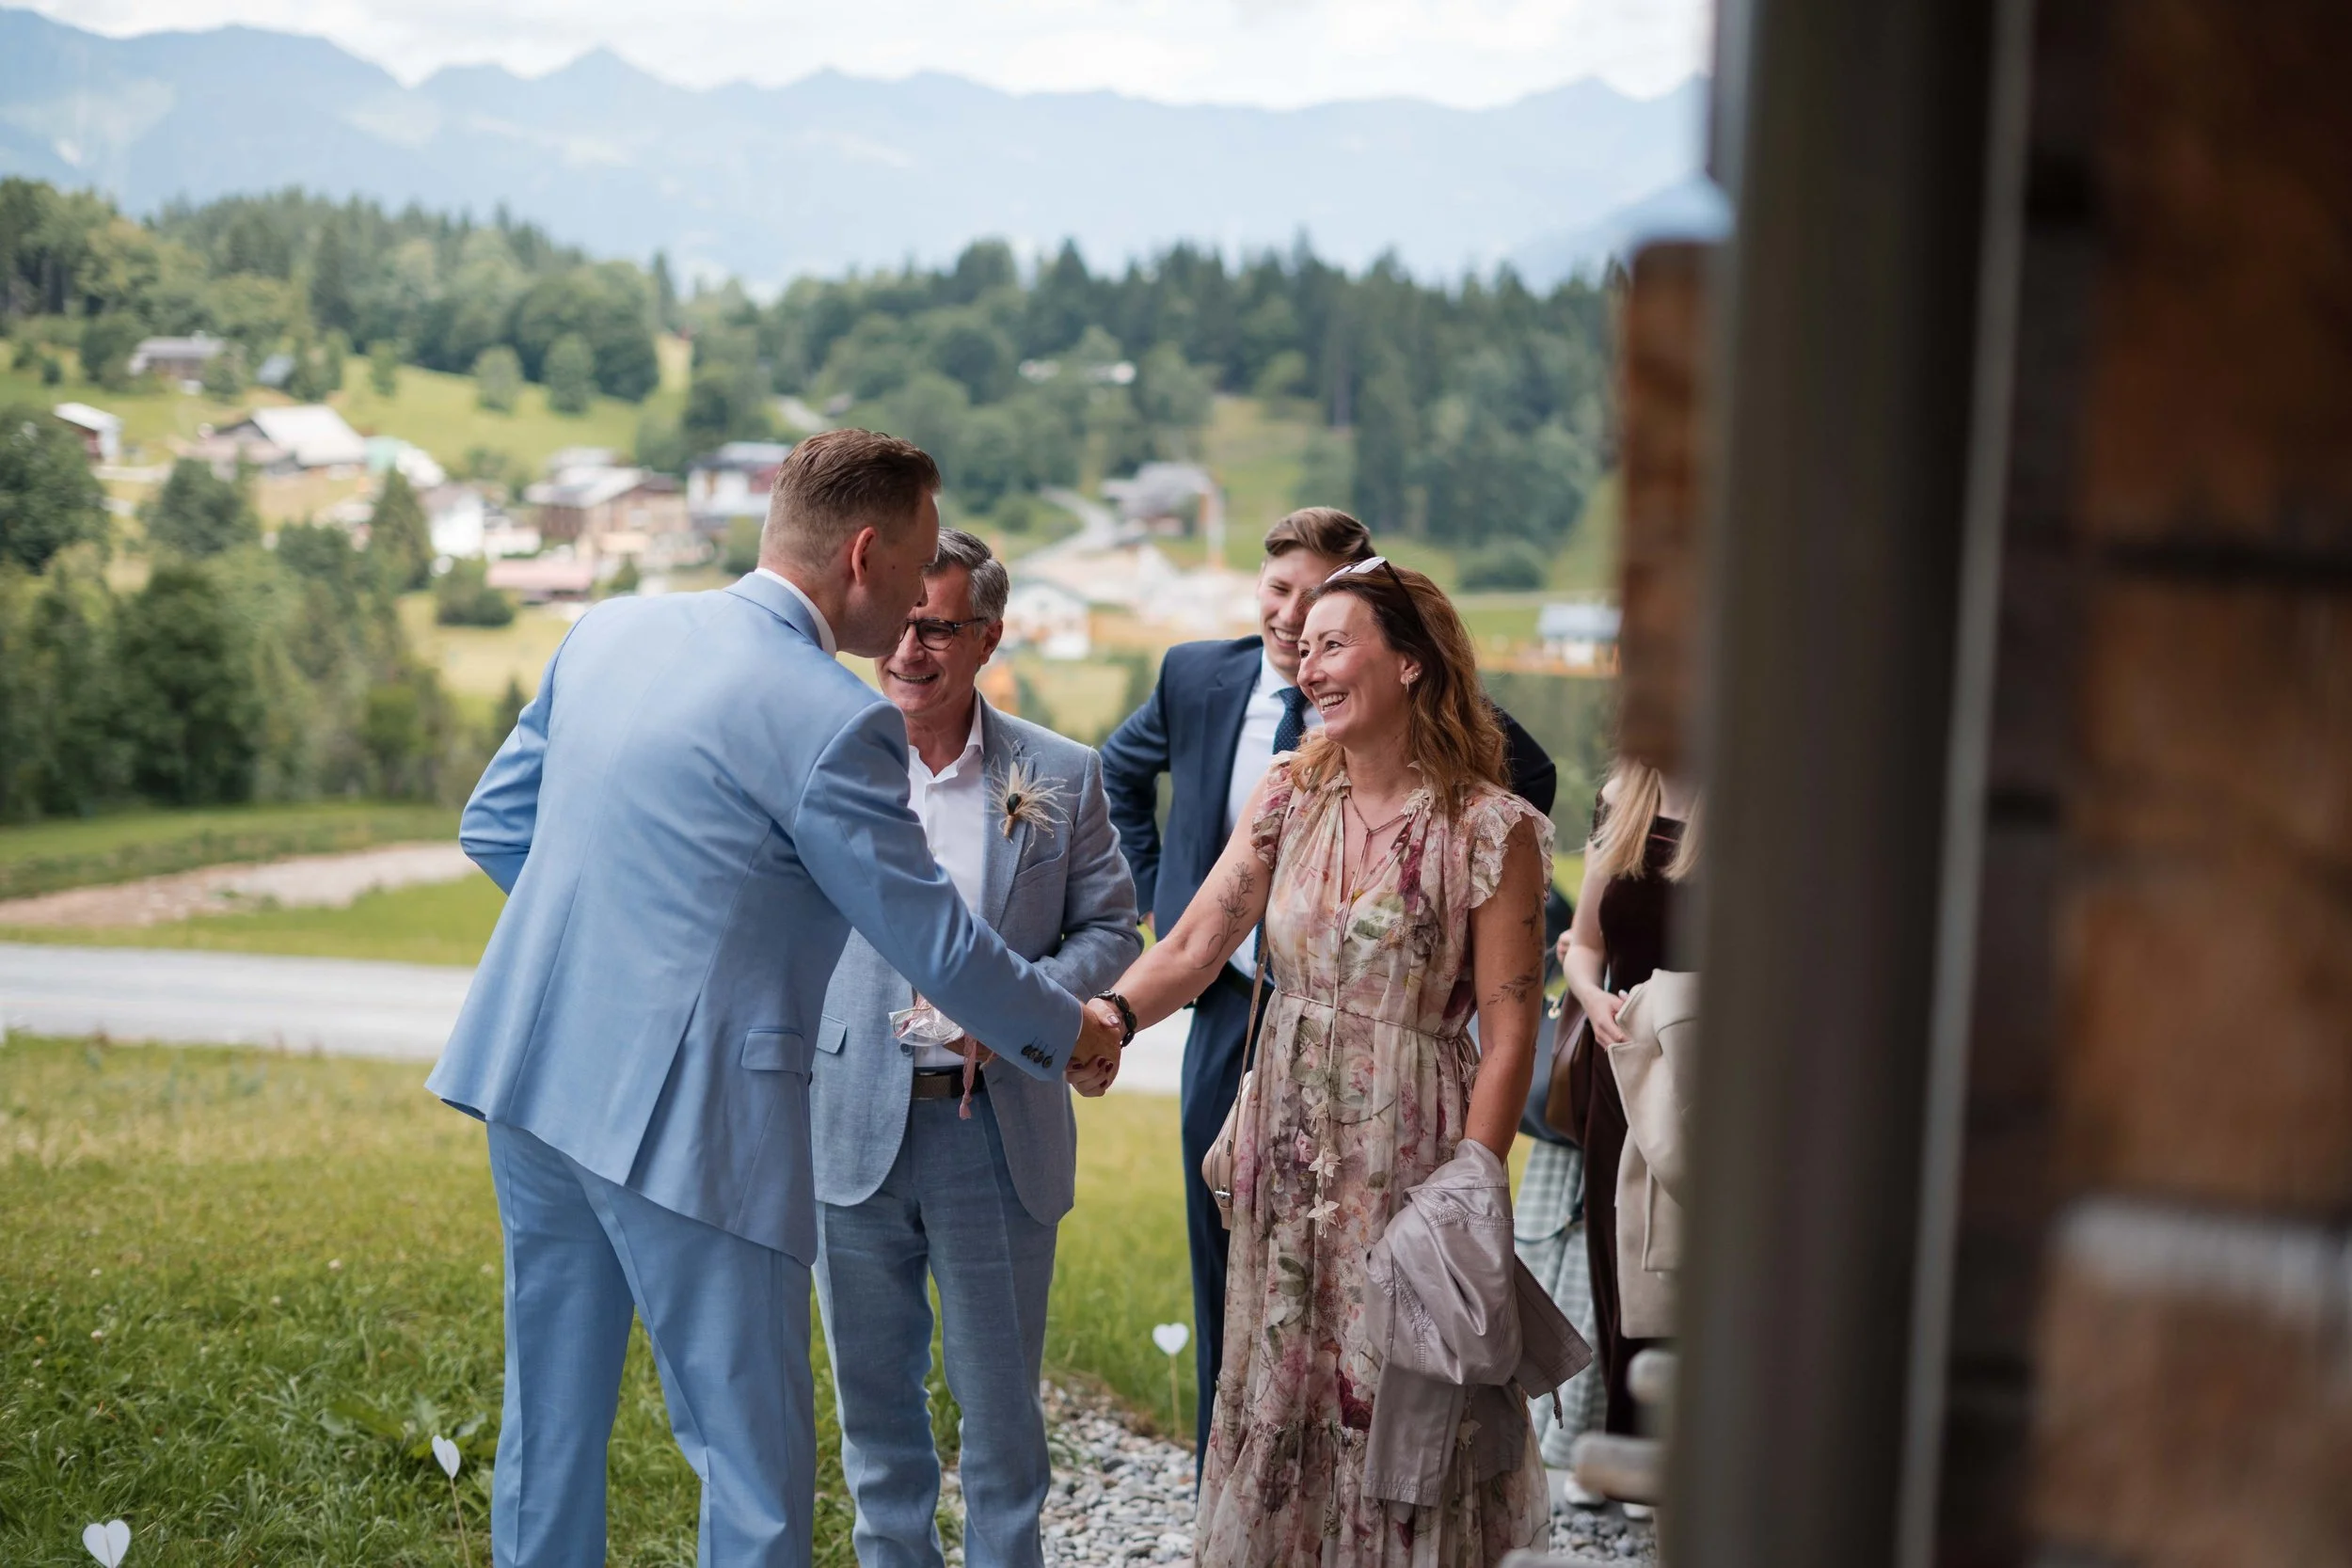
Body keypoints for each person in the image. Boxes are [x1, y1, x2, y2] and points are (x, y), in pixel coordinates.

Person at [425, 431, 1125, 1568]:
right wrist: (1073, 1028)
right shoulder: (831, 717)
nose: (917, 592)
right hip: (696, 1116)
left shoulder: (610, 628)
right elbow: (934, 938)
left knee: (548, 1425)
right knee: (751, 1465)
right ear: (863, 553)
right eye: (916, 564)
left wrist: (626, 962)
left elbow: (498, 823)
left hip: (536, 1079)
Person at [1094, 559, 1552, 1565]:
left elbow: (1512, 1029)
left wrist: (1470, 1190)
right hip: (1288, 1147)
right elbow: (1196, 941)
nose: (1307, 667)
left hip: (1414, 1159)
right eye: (1302, 649)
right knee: (1286, 1376)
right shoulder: (1286, 794)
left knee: (1400, 1387)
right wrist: (1111, 1017)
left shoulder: (1492, 830)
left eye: (1333, 645)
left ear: (1412, 662)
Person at [809, 529, 1141, 1568]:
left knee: (1000, 1421)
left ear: (988, 636)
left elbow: (1110, 929)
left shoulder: (1061, 772)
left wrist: (1017, 1011)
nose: (909, 650)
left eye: (938, 628)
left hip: (994, 1136)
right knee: (875, 1420)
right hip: (848, 1125)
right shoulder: (823, 756)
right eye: (899, 624)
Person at [1558, 759, 1700, 1436]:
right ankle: (1626, 1450)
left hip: (1699, 1081)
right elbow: (1585, 943)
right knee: (1620, 1278)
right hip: (1619, 1070)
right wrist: (1591, 996)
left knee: (1682, 1279)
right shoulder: (1621, 797)